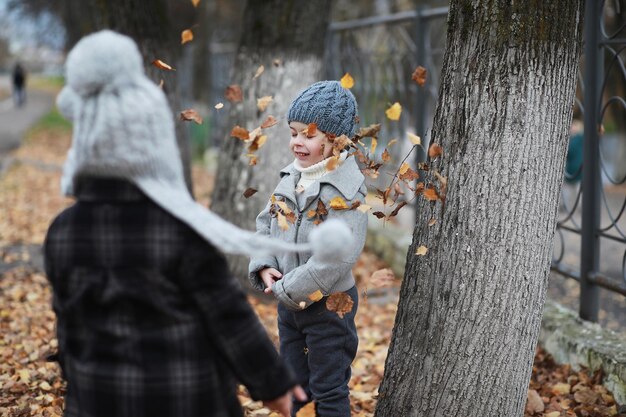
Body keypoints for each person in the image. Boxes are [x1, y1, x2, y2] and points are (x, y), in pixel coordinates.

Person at [44, 30, 352, 417]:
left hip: (98, 399)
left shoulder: (63, 232)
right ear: (155, 145)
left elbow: (68, 322)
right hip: (186, 396)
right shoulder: (177, 230)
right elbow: (226, 313)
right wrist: (271, 383)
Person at [249, 80, 368, 417]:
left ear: (335, 139)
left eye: (308, 135)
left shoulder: (346, 191)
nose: (296, 142)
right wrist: (263, 264)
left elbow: (339, 256)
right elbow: (265, 223)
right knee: (293, 384)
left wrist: (289, 288)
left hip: (329, 308)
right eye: (293, 132)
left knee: (329, 389)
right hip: (289, 307)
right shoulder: (290, 177)